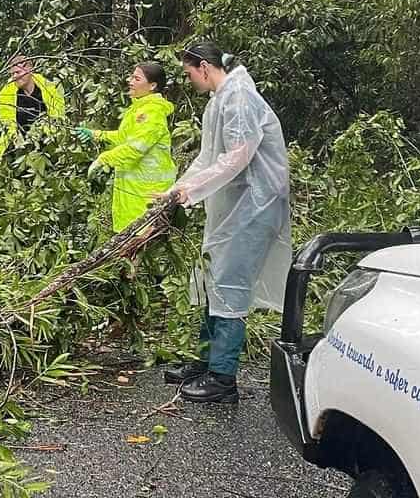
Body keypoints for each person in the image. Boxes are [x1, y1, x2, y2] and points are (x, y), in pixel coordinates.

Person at [162, 42, 291, 404]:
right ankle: (205, 361)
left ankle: (223, 378)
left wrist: (193, 190)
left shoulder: (239, 99)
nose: (189, 80)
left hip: (254, 205)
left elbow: (238, 157)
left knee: (229, 286)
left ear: (204, 66)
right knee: (211, 281)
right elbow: (208, 158)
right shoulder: (220, 100)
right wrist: (178, 189)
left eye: (189, 72)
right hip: (233, 206)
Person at [75, 62, 177, 232]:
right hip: (133, 191)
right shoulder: (139, 108)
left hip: (147, 193)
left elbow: (135, 148)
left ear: (152, 86)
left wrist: (104, 159)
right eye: (131, 76)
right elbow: (125, 138)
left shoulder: (151, 113)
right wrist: (96, 135)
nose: (130, 81)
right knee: (129, 244)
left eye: (136, 78)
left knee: (138, 242)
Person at [0, 55, 65, 159]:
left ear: (30, 70)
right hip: (19, 145)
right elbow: (7, 124)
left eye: (18, 72)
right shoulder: (6, 94)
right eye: (12, 74)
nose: (15, 76)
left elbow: (58, 114)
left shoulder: (48, 87)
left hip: (47, 139)